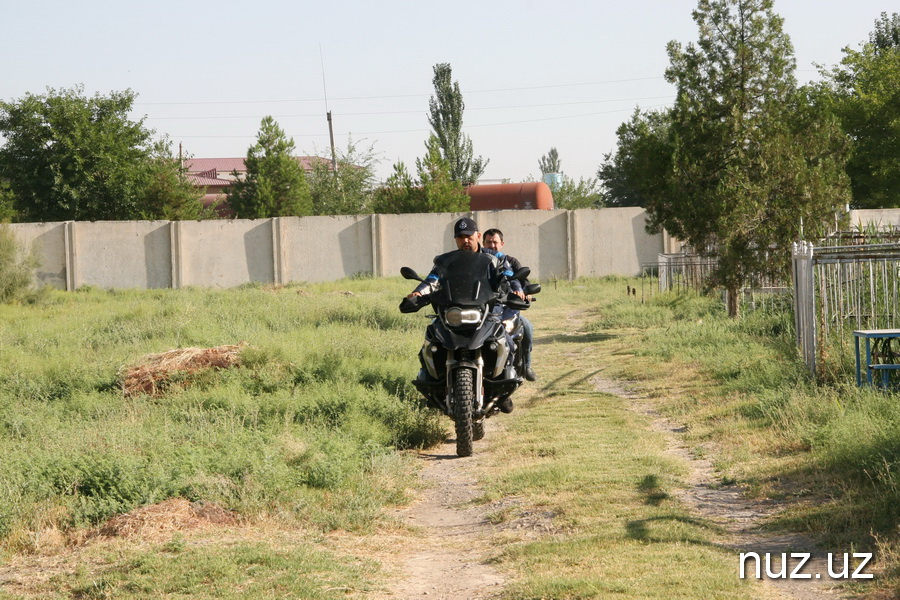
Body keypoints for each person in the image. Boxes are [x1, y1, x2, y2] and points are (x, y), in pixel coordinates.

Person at [407, 217, 525, 413]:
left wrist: (516, 289)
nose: (465, 241)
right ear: (455, 240)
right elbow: (433, 280)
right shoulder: (446, 261)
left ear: (478, 236)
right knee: (431, 341)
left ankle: (503, 389)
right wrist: (419, 293)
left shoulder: (495, 259)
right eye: (460, 237)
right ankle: (433, 384)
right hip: (453, 312)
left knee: (507, 340)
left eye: (469, 236)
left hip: (486, 312)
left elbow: (509, 276)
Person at [482, 228, 537, 382]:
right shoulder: (478, 261)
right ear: (482, 243)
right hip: (483, 308)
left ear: (502, 244)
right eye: (489, 242)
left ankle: (527, 365)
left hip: (506, 307)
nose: (492, 245)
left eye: (495, 242)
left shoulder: (510, 262)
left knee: (525, 326)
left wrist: (524, 292)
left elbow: (521, 280)